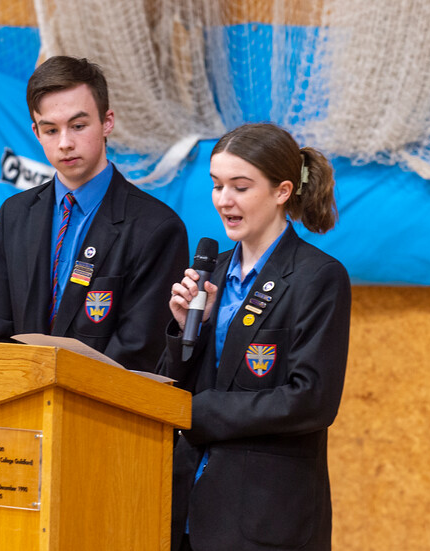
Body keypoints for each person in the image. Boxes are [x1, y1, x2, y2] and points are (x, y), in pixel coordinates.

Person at [160, 123, 351, 550]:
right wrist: (183, 331)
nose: (224, 200)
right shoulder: (212, 272)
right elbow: (174, 387)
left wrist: (199, 412)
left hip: (264, 518)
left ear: (283, 191)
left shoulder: (317, 277)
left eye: (240, 187)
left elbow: (311, 399)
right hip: (187, 511)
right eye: (217, 186)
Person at [0, 56, 188, 372]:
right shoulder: (14, 215)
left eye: (78, 126)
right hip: (22, 406)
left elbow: (139, 348)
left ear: (107, 122)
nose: (65, 143)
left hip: (102, 410)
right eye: (50, 130)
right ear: (35, 132)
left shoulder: (157, 228)